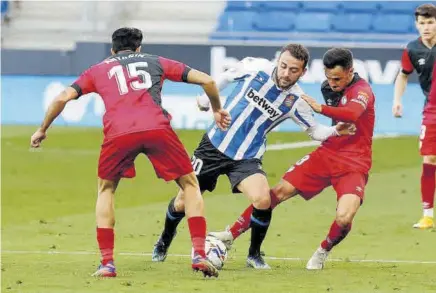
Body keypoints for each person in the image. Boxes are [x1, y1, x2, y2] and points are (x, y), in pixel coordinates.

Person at [30, 27, 231, 278]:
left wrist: (42, 129)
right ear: (139, 48)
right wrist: (216, 109)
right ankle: (200, 254)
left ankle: (107, 264)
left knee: (106, 189)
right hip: (157, 128)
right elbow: (208, 81)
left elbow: (62, 98)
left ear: (112, 50)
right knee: (190, 185)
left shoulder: (98, 69)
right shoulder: (156, 61)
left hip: (118, 133)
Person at [152, 44, 356, 269]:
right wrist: (206, 101)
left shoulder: (297, 101)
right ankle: (164, 241)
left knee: (263, 200)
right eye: (283, 66)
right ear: (278, 61)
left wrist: (336, 130)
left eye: (293, 70)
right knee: (182, 201)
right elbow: (226, 76)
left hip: (246, 157)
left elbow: (315, 132)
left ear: (303, 72)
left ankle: (254, 255)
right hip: (212, 147)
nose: (286, 73)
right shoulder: (256, 67)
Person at [211, 48, 375, 270]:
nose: (332, 83)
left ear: (350, 72)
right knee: (276, 193)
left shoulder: (363, 91)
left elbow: (353, 114)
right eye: (328, 77)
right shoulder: (328, 87)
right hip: (327, 154)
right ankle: (230, 234)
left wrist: (320, 108)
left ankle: (322, 250)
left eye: (337, 78)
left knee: (345, 217)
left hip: (355, 162)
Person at [392, 3, 436, 229]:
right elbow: (403, 76)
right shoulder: (412, 50)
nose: (426, 27)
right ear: (416, 25)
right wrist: (397, 100)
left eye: (430, 22)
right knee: (429, 159)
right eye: (422, 23)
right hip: (432, 111)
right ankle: (427, 214)